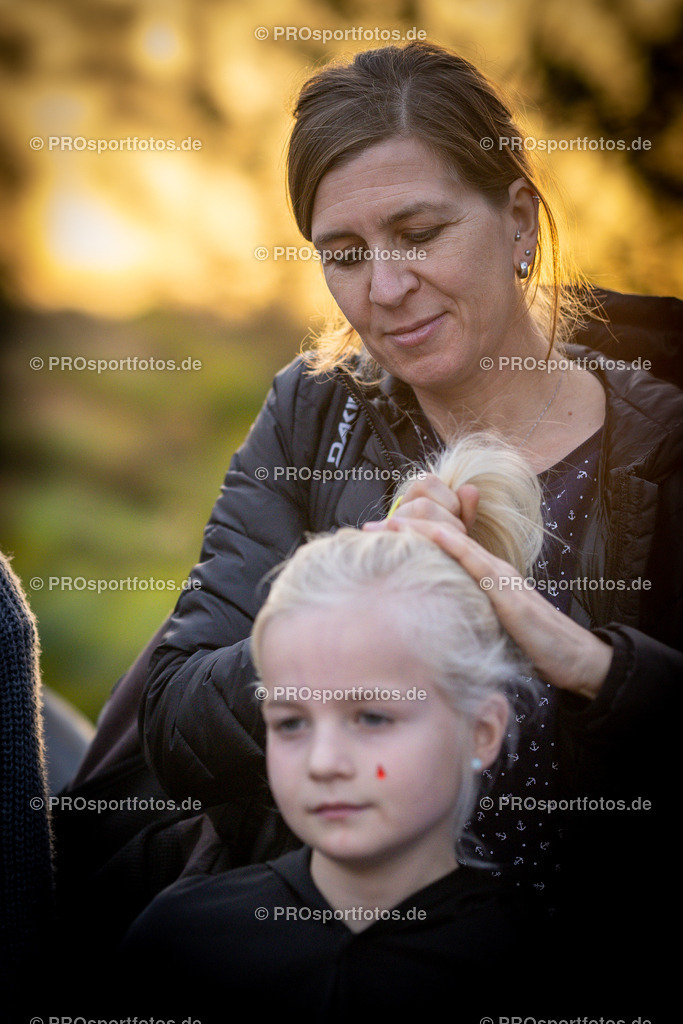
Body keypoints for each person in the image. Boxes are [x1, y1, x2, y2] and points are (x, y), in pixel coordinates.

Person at [55, 40, 682, 990]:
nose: (382, 292)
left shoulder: (663, 447)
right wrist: (359, 583)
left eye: (420, 233)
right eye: (344, 256)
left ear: (517, 220)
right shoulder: (313, 416)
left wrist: (588, 663)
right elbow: (178, 724)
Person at [120, 436, 548, 1017]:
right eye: (291, 723)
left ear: (482, 731)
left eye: (371, 717)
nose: (324, 762)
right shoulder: (176, 943)